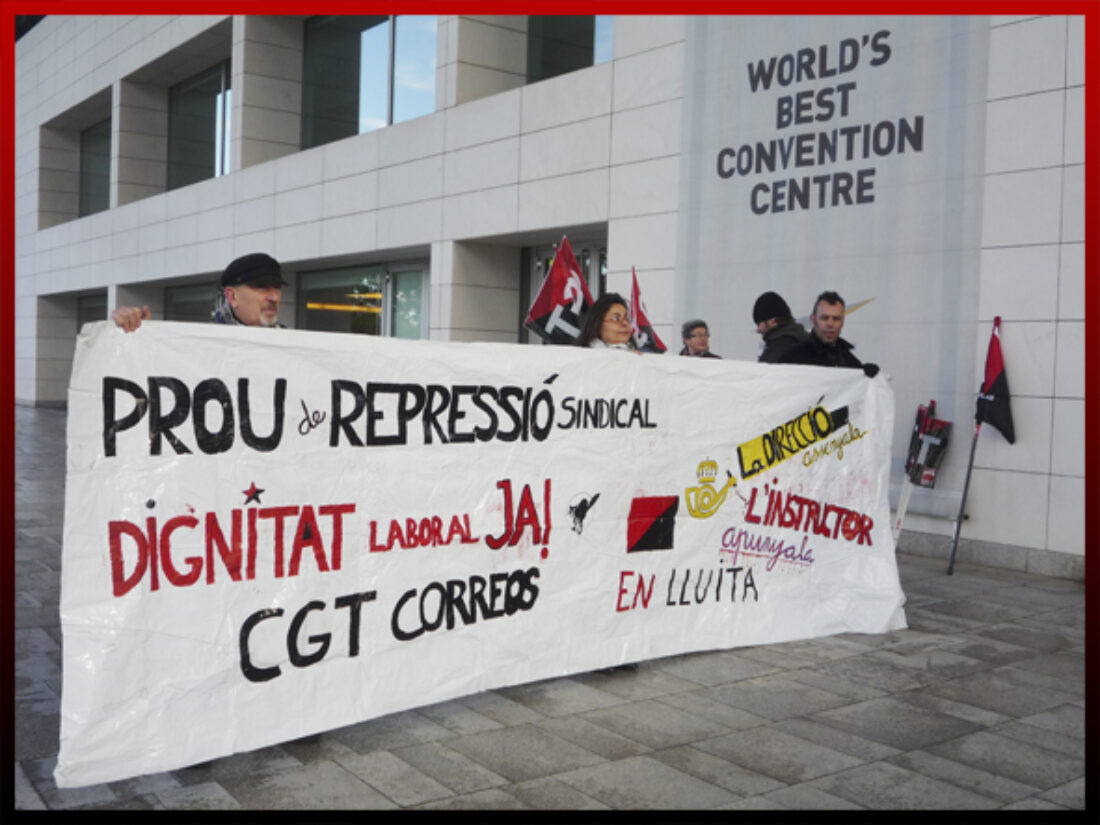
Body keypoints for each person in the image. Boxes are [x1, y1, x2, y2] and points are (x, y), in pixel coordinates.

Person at [111, 252, 287, 331]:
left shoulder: (294, 344)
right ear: (232, 296)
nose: (274, 297)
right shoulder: (199, 342)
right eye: (263, 287)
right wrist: (136, 331)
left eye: (277, 288)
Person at [779, 290, 879, 377]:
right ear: (813, 320)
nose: (830, 324)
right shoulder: (792, 358)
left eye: (836, 319)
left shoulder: (848, 359)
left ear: (842, 322)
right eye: (824, 318)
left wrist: (863, 374)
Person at [572, 293, 641, 353]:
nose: (625, 323)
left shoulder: (638, 358)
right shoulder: (582, 358)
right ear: (598, 325)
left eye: (627, 318)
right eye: (616, 318)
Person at [752, 291, 808, 363]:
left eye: (759, 324)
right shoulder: (805, 341)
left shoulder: (775, 352)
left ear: (773, 321)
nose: (758, 330)